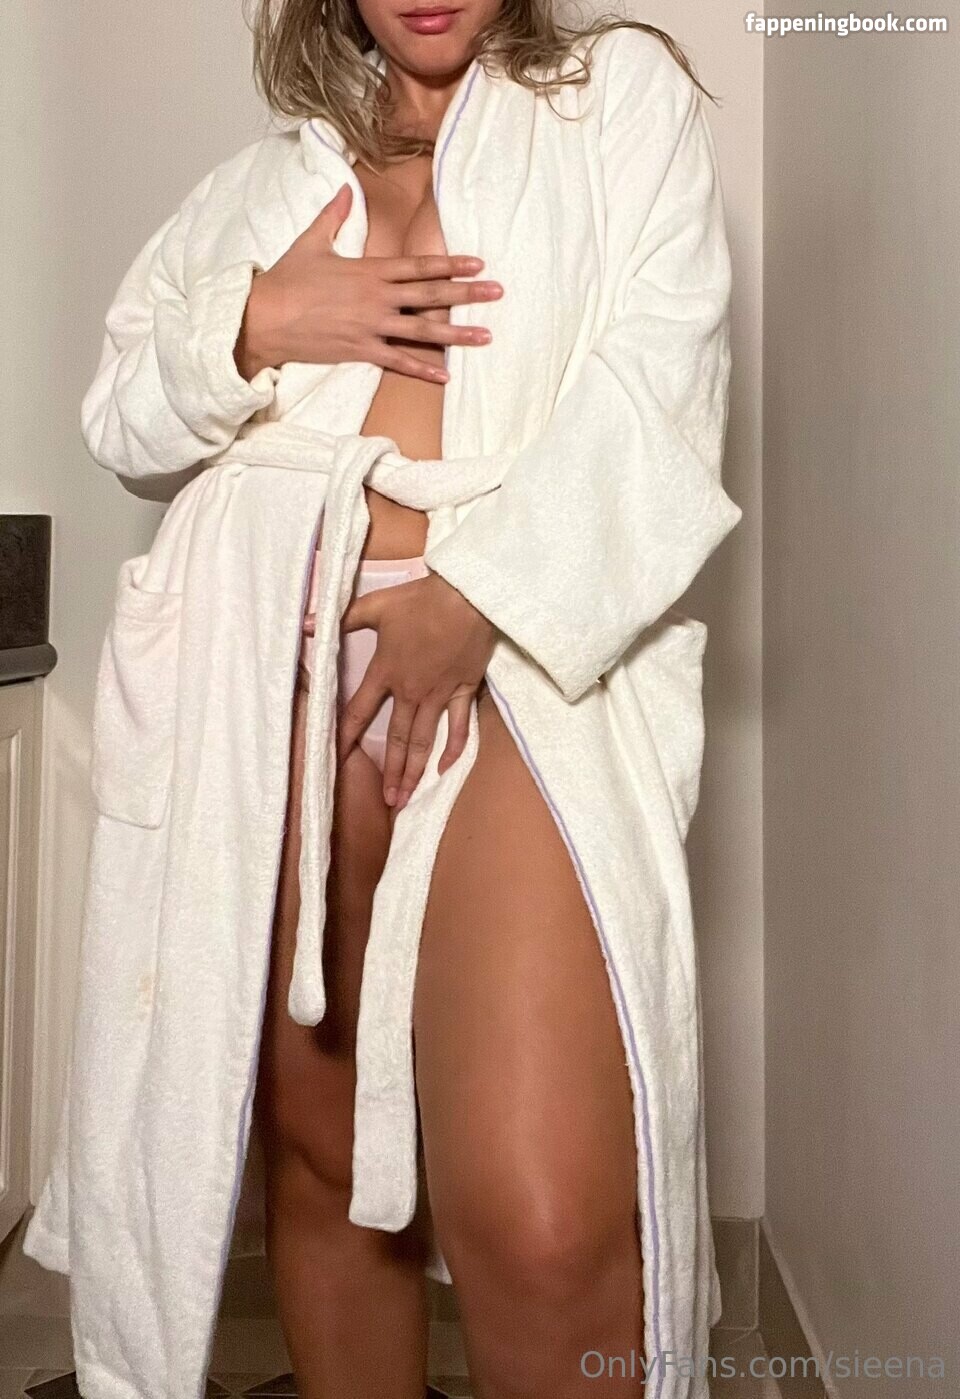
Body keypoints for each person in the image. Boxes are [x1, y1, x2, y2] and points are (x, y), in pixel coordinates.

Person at [23, 3, 742, 1397]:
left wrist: (474, 600)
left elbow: (663, 382)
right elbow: (123, 417)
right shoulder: (266, 181)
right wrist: (261, 320)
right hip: (268, 676)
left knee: (544, 1224)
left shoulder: (613, 100)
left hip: (513, 654)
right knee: (331, 1162)